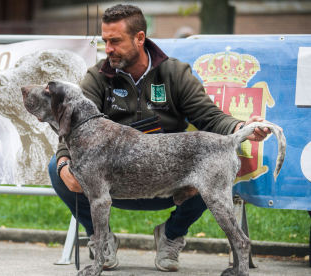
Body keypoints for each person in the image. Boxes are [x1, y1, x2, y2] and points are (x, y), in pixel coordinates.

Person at [48, 4, 271, 272]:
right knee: (56, 168)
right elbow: (72, 122)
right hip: (113, 183)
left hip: (169, 180)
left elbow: (210, 118)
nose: (108, 48)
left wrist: (240, 127)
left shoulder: (175, 73)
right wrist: (63, 161)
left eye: (115, 41)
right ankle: (102, 238)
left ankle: (171, 235)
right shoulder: (98, 77)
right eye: (105, 41)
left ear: (139, 38)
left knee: (212, 166)